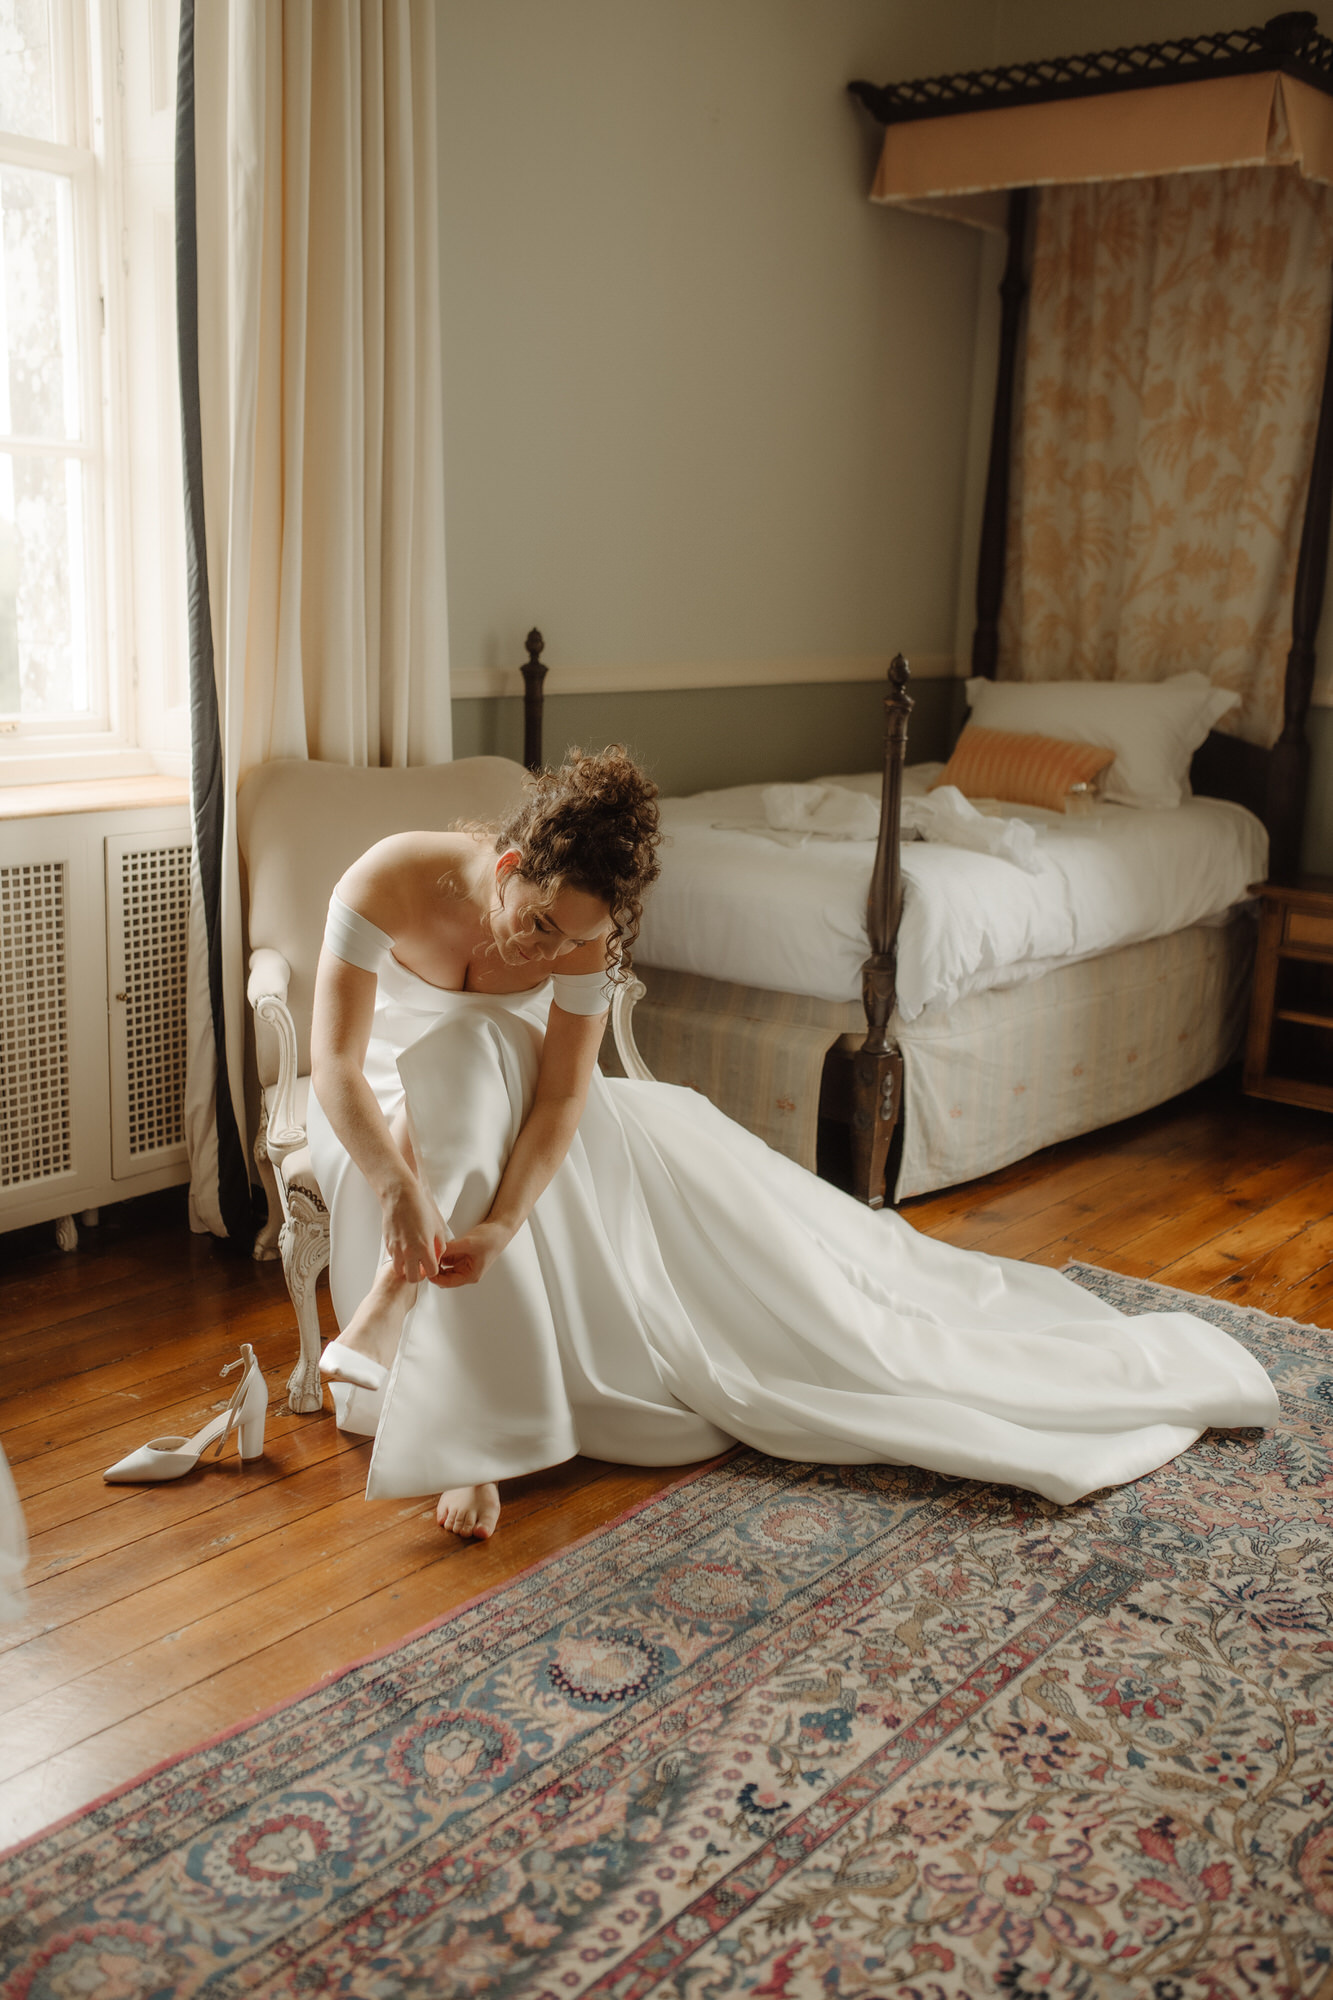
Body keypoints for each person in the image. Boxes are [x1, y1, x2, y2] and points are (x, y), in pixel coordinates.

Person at [307, 746, 1278, 1543]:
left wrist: (509, 1216)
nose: (540, 952)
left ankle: (429, 1353)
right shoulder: (387, 877)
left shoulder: (581, 938)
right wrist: (394, 1184)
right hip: (383, 1127)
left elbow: (564, 1094)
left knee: (481, 1047)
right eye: (538, 925)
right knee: (455, 1050)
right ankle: (467, 1419)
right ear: (512, 868)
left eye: (570, 941)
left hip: (515, 1124)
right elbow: (338, 1067)